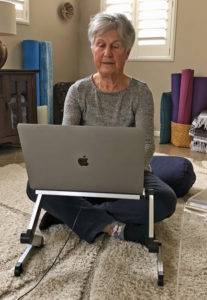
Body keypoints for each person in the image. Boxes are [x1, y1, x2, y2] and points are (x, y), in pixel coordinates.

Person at [27, 12, 177, 247]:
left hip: (129, 178)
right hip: (83, 177)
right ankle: (109, 226)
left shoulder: (140, 92)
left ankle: (72, 215)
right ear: (93, 49)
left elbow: (147, 146)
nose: (107, 53)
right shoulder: (78, 91)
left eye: (115, 46)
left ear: (127, 52)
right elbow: (68, 142)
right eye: (101, 45)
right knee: (34, 184)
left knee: (165, 200)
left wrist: (122, 170)